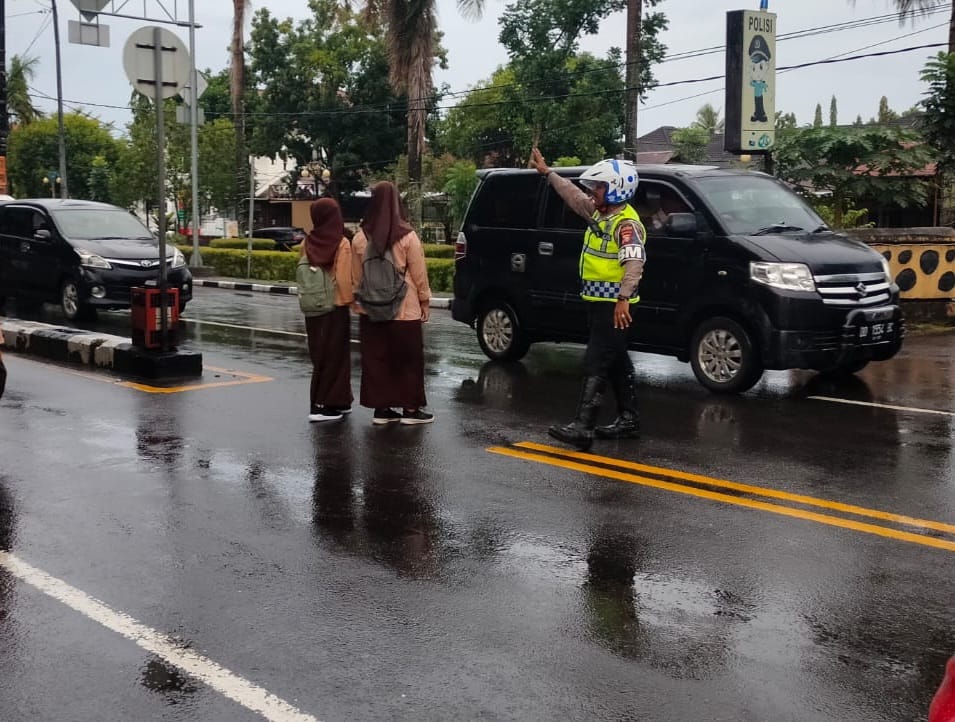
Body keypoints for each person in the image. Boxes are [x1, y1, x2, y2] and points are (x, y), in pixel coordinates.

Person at [530, 148, 646, 450]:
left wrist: (623, 299)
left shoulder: (626, 224)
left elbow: (634, 263)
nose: (592, 193)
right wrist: (548, 172)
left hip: (614, 307)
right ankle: (629, 419)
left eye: (599, 188)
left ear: (617, 191)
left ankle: (583, 426)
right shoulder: (601, 214)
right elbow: (572, 195)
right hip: (599, 303)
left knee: (596, 361)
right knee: (617, 360)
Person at [351, 181, 434, 425]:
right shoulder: (407, 236)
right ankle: (410, 410)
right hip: (404, 308)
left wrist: (360, 303)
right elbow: (419, 274)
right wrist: (425, 302)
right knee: (408, 359)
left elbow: (357, 277)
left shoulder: (359, 238)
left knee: (378, 359)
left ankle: (382, 410)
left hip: (371, 310)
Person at [301, 198, 354, 422]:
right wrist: (352, 301)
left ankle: (337, 401)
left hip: (313, 308)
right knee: (336, 356)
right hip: (336, 307)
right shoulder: (341, 243)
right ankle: (322, 406)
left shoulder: (308, 242)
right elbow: (343, 279)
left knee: (320, 355)